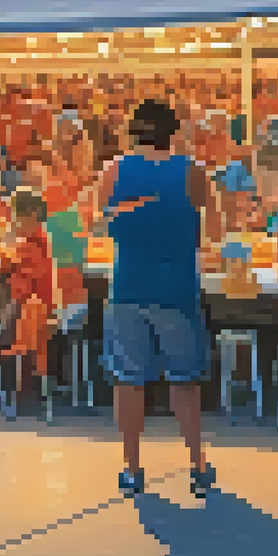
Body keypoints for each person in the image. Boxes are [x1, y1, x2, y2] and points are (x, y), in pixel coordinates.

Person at [94, 99, 220, 497]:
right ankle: (197, 464)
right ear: (173, 132)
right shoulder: (193, 173)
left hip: (128, 286)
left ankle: (132, 468)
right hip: (176, 288)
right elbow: (216, 230)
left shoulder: (112, 172)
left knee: (128, 381)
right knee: (185, 382)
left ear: (133, 132)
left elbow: (101, 225)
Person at [0, 187, 55, 418]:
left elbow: (22, 286)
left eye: (16, 217)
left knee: (4, 337)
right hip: (39, 307)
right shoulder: (40, 239)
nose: (13, 222)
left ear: (29, 216)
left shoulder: (31, 244)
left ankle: (10, 394)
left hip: (29, 309)